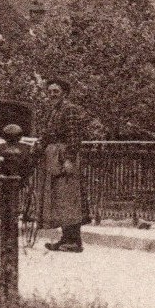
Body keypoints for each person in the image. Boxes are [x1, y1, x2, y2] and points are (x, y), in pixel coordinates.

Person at [35, 78, 101, 253]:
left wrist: (69, 159)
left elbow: (74, 136)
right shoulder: (54, 110)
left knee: (69, 198)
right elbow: (48, 134)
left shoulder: (69, 109)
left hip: (64, 156)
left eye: (56, 91)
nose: (52, 94)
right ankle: (66, 239)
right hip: (54, 157)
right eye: (50, 91)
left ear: (64, 93)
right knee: (60, 198)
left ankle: (74, 241)